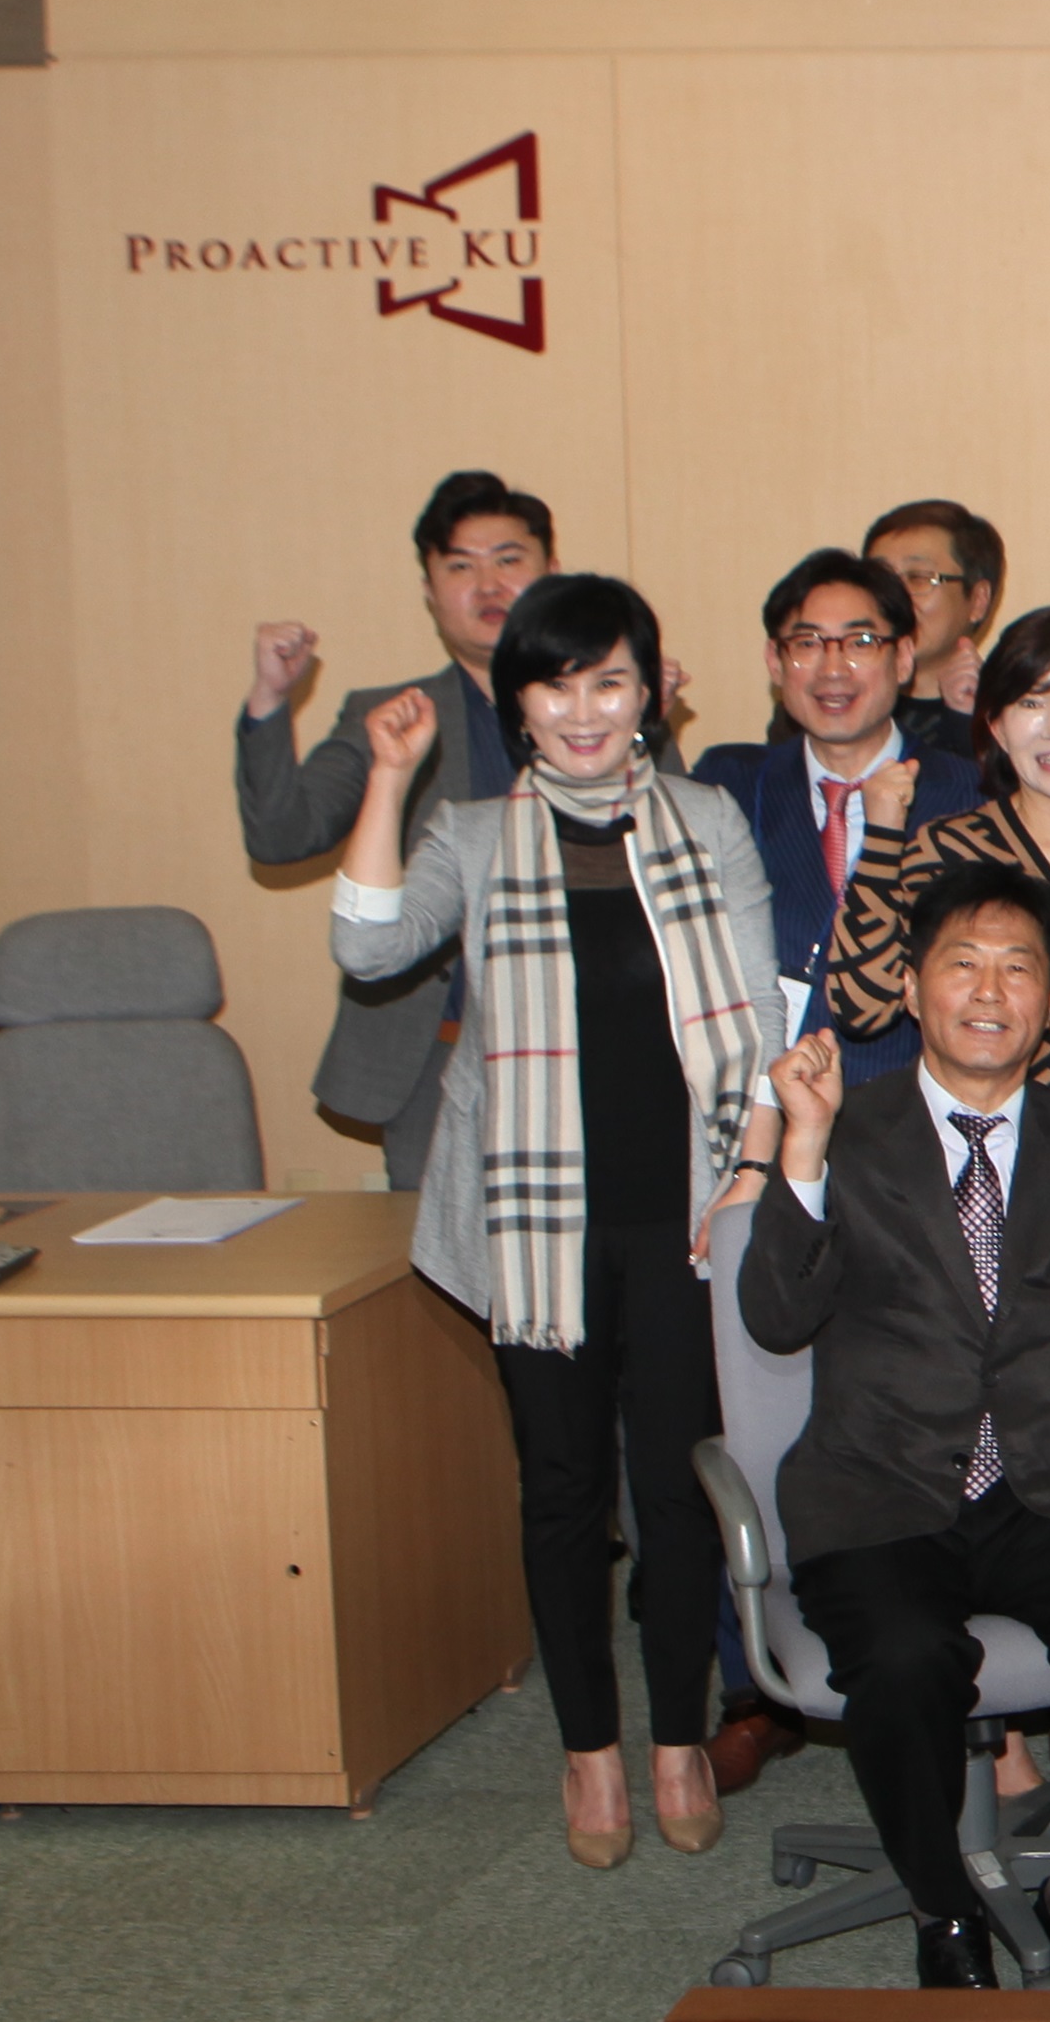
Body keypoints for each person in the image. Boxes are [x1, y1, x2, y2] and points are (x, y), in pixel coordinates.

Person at [330, 570, 781, 1874]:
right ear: (518, 701)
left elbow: (757, 1014)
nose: (583, 710)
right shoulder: (471, 835)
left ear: (649, 692)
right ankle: (589, 1747)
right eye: (555, 683)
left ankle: (677, 1737)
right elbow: (367, 948)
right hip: (536, 1226)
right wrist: (387, 777)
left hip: (685, 1210)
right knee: (565, 1491)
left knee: (678, 1489)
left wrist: (749, 1176)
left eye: (608, 681)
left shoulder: (706, 820)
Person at [746, 861, 1050, 1992]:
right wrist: (799, 1146)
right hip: (877, 1485)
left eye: (1018, 968)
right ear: (913, 987)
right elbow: (775, 1314)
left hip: (1041, 1489)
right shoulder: (846, 1129)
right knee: (907, 1657)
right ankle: (941, 1905)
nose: (990, 990)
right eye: (962, 964)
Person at [241, 466, 555, 1186]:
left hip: (588, 1044)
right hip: (436, 1057)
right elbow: (281, 836)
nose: (488, 585)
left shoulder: (610, 712)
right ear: (430, 592)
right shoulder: (389, 718)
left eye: (508, 560)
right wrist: (270, 700)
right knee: (433, 1255)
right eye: (460, 566)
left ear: (550, 573)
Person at [828, 608, 1050, 1125]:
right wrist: (882, 839)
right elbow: (860, 1008)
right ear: (996, 724)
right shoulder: (950, 849)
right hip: (986, 1149)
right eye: (1031, 703)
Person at [693, 548, 982, 1077]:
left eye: (860, 643)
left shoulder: (970, 794)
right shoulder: (729, 783)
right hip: (765, 1097)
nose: (832, 669)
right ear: (775, 662)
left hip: (912, 1105)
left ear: (903, 657)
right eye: (807, 644)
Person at [863, 498, 1006, 753]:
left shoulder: (1011, 712)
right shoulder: (834, 700)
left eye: (919, 578)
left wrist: (964, 723)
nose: (896, 595)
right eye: (881, 578)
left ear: (978, 600)